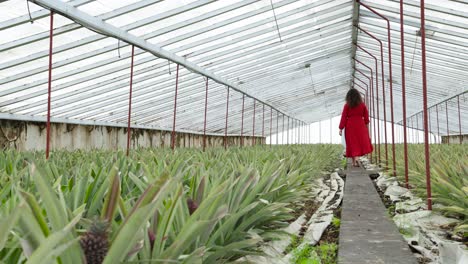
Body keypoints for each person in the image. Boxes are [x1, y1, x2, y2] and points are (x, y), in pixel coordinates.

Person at [339, 88, 373, 167]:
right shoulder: (362, 105)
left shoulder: (347, 105)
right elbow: (366, 118)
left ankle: (354, 161)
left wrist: (341, 128)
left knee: (352, 143)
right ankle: (357, 158)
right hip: (360, 125)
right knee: (359, 142)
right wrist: (366, 127)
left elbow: (343, 117)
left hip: (350, 125)